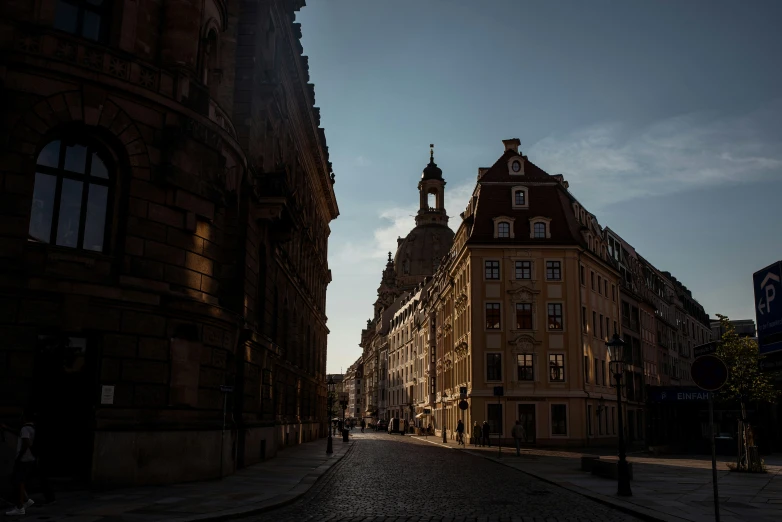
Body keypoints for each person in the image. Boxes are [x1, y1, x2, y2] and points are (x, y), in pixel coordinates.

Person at [5, 411, 38, 516]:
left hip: (24, 459)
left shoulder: (25, 429)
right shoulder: (32, 428)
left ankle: (20, 507)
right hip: (30, 459)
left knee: (17, 482)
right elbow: (19, 433)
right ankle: (26, 500)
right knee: (20, 480)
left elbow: (25, 443)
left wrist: (19, 457)